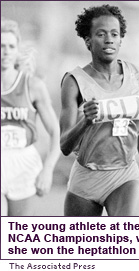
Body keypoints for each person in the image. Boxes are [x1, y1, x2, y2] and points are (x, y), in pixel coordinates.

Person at [59, 4, 139, 216]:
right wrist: (85, 122)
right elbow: (64, 145)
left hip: (124, 174)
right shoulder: (74, 82)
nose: (109, 39)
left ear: (120, 39)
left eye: (114, 34)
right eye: (101, 34)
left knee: (125, 237)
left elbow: (138, 122)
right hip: (86, 177)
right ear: (88, 41)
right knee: (84, 248)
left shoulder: (138, 76)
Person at [1, 19, 60, 216]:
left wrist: (48, 170)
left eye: (11, 46)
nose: (6, 51)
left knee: (17, 236)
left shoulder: (32, 86)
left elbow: (55, 131)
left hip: (22, 163)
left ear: (17, 50)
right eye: (1, 46)